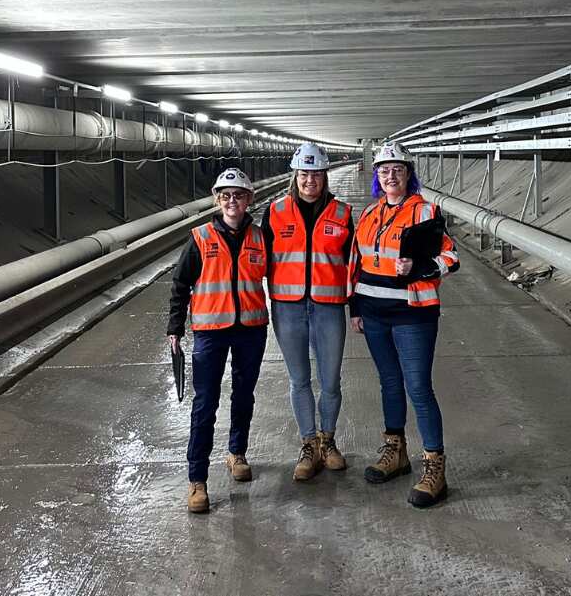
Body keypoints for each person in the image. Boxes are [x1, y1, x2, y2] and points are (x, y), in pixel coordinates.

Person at [347, 142, 459, 508]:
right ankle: (396, 453)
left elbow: (450, 256)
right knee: (389, 384)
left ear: (409, 174)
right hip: (374, 313)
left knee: (418, 388)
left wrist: (424, 269)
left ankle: (434, 468)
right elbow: (358, 263)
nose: (390, 175)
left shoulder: (426, 211)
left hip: (413, 313)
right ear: (377, 177)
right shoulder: (368, 214)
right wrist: (356, 308)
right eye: (383, 170)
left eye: (397, 169)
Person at [167, 167, 269, 514]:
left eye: (238, 195)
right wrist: (175, 329)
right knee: (205, 403)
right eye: (225, 196)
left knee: (243, 395)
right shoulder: (199, 238)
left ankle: (236, 453)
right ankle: (197, 480)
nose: (232, 202)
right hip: (211, 332)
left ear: (249, 199)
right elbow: (180, 285)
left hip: (251, 328)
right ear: (217, 199)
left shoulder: (260, 237)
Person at [262, 142, 354, 480]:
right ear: (295, 175)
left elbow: (353, 265)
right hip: (287, 309)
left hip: (329, 308)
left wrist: (355, 306)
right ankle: (308, 445)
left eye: (316, 174)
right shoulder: (274, 212)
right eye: (304, 174)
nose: (310, 180)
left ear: (324, 176)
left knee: (330, 381)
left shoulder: (343, 214)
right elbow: (256, 259)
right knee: (299, 380)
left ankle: (327, 441)